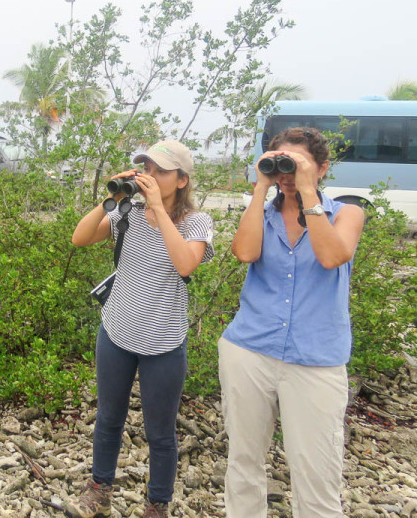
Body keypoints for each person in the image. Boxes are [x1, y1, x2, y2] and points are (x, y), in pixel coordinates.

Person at [219, 127, 364, 518]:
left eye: (295, 164)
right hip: (249, 349)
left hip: (315, 358)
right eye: (278, 162)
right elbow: (245, 252)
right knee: (244, 461)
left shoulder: (347, 213)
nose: (286, 173)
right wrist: (259, 188)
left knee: (317, 474)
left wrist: (308, 194)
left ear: (322, 168)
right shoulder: (262, 215)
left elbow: (332, 256)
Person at [67, 140, 214, 518]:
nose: (149, 175)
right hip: (117, 330)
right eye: (146, 168)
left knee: (160, 431)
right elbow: (80, 238)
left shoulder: (197, 222)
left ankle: (157, 505)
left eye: (160, 171)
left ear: (181, 180)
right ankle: (99, 491)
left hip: (163, 340)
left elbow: (185, 265)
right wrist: (111, 199)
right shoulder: (126, 212)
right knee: (109, 417)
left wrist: (159, 211)